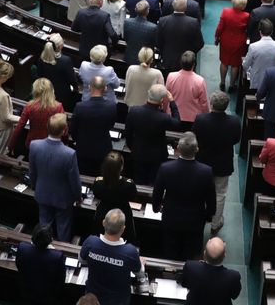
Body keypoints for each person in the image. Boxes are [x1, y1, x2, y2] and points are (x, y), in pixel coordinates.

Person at [152, 132, 215, 261]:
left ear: (178, 149)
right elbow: (211, 199)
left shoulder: (166, 168)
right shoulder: (206, 172)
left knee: (170, 251)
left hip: (171, 217)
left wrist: (156, 208)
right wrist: (209, 215)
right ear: (196, 150)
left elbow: (157, 193)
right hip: (195, 220)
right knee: (190, 254)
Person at [192, 91, 240, 235]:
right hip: (222, 163)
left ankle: (198, 219)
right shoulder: (234, 121)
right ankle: (215, 223)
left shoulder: (201, 119)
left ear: (211, 104)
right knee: (220, 194)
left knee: (200, 192)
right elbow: (236, 140)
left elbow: (195, 137)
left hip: (202, 163)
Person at [29, 112, 80, 240]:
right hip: (63, 199)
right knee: (63, 228)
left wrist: (35, 187)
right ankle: (61, 253)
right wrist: (78, 196)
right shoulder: (69, 154)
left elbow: (32, 172)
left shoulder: (34, 145)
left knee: (43, 226)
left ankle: (42, 247)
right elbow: (74, 180)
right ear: (64, 131)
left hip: (42, 193)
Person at [80, 209, 143, 305]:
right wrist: (142, 263)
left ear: (103, 223)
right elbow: (140, 274)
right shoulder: (130, 252)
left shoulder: (90, 242)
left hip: (92, 299)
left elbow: (82, 260)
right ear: (123, 228)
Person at [126, 83, 183, 184]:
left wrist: (133, 147)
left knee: (138, 181)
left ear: (149, 95)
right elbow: (177, 122)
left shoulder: (134, 111)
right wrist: (172, 102)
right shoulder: (163, 118)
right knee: (154, 182)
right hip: (157, 157)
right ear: (161, 100)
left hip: (138, 153)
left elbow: (128, 133)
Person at [91, 151, 139, 245]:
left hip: (103, 213)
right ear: (121, 167)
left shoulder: (98, 183)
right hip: (123, 214)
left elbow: (96, 195)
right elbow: (133, 197)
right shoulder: (129, 184)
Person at [73, 77, 119, 176]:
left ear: (89, 87)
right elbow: (111, 125)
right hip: (103, 149)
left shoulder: (80, 107)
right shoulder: (112, 107)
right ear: (105, 89)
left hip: (83, 148)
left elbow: (73, 129)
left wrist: (78, 139)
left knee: (83, 176)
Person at [9, 77, 65, 155]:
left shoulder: (30, 106)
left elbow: (19, 127)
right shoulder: (58, 107)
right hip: (50, 144)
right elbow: (64, 129)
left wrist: (11, 146)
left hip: (33, 143)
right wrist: (65, 145)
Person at [180, 237, 242, 305]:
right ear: (224, 255)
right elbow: (234, 296)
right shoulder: (234, 277)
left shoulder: (190, 267)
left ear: (204, 253)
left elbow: (184, 283)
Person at [15, 224, 66, 305]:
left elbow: (18, 265)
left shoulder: (22, 248)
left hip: (26, 291)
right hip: (47, 297)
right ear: (51, 239)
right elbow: (61, 280)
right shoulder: (57, 256)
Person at [157, 0, 204, 74]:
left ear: (173, 5)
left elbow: (158, 42)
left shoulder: (162, 21)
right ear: (186, 7)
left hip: (168, 61)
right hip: (187, 62)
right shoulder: (193, 22)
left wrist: (165, 53)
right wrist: (190, 53)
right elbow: (200, 43)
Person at [214, 0, 250, 91]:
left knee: (224, 62)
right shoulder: (246, 16)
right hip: (239, 42)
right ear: (243, 5)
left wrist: (217, 37)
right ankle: (232, 85)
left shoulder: (225, 12)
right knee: (235, 64)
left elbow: (220, 27)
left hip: (226, 40)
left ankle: (222, 82)